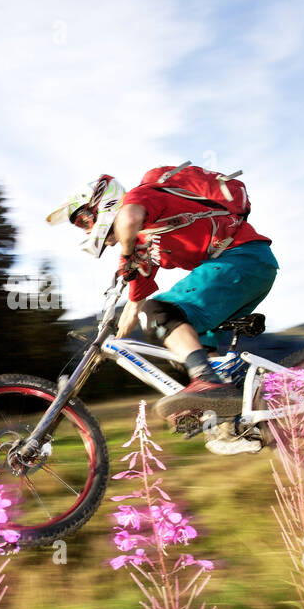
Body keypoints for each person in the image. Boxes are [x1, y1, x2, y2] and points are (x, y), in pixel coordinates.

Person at [47, 169, 278, 421]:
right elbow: (134, 306)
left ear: (102, 203)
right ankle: (228, 414)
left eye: (84, 221)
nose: (85, 231)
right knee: (188, 345)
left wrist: (127, 257)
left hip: (240, 260)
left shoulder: (141, 196)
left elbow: (129, 219)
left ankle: (207, 383)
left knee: (159, 312)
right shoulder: (144, 244)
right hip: (248, 269)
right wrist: (110, 338)